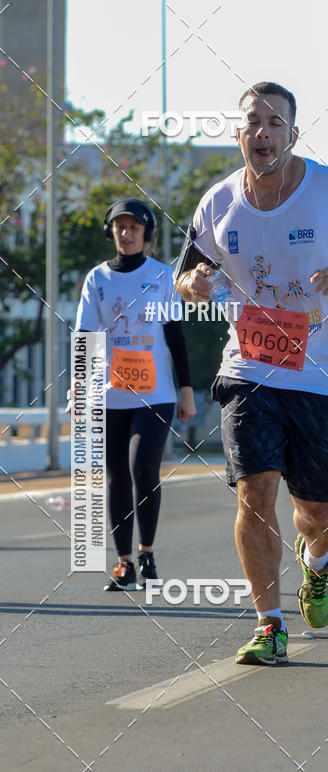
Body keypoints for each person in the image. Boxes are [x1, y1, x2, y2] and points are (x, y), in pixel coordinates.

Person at [175, 81, 328, 666]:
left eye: (276, 124)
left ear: (292, 136)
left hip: (321, 375)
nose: (264, 133)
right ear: (238, 133)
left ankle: (320, 562)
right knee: (255, 493)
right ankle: (268, 623)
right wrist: (194, 284)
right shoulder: (218, 202)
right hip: (249, 366)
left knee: (318, 512)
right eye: (254, 122)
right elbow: (188, 272)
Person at [72, 198, 196, 590]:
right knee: (116, 477)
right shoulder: (98, 280)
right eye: (119, 228)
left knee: (143, 468)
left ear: (147, 234)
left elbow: (176, 336)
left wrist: (187, 390)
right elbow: (86, 338)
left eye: (134, 228)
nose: (126, 234)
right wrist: (78, 388)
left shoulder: (163, 277)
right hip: (109, 395)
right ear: (111, 232)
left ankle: (147, 552)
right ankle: (123, 562)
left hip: (155, 393)